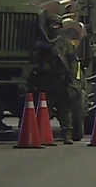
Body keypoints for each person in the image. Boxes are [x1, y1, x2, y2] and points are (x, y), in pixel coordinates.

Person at [27, 13, 81, 143]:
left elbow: (73, 60)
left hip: (61, 79)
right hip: (46, 80)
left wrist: (71, 75)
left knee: (65, 108)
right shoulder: (41, 44)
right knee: (45, 108)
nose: (54, 28)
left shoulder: (66, 44)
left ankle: (66, 133)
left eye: (57, 25)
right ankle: (43, 134)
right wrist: (42, 50)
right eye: (52, 25)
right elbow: (33, 60)